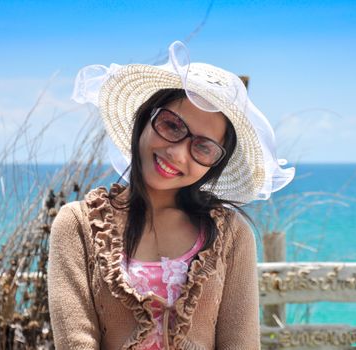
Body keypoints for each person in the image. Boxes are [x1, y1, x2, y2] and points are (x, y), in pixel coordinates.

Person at [47, 41, 294, 350]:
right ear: (145, 117)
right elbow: (75, 342)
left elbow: (240, 343)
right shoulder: (78, 226)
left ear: (215, 163)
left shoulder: (232, 235)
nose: (177, 153)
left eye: (203, 147)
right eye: (172, 125)